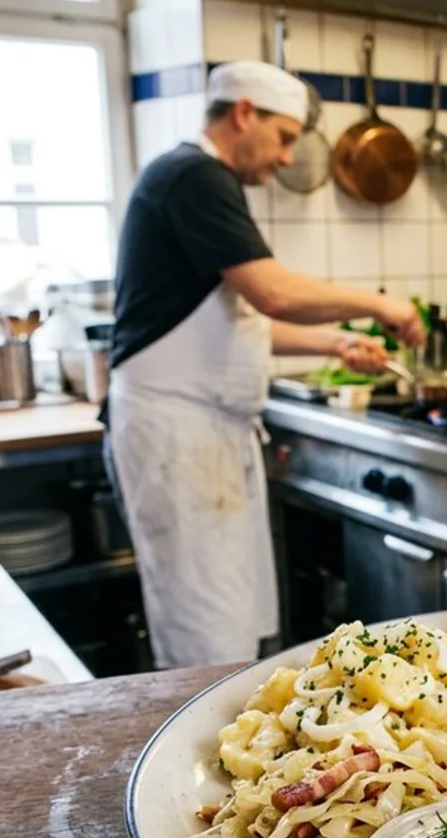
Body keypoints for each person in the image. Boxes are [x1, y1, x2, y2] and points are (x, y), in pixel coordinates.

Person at [106, 60, 425, 669]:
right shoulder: (194, 176)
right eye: (283, 138)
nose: (285, 159)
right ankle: (188, 758)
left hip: (200, 435)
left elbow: (236, 320)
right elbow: (272, 292)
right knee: (204, 630)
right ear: (244, 113)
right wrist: (381, 304)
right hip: (178, 437)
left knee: (229, 619)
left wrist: (337, 344)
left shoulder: (193, 177)